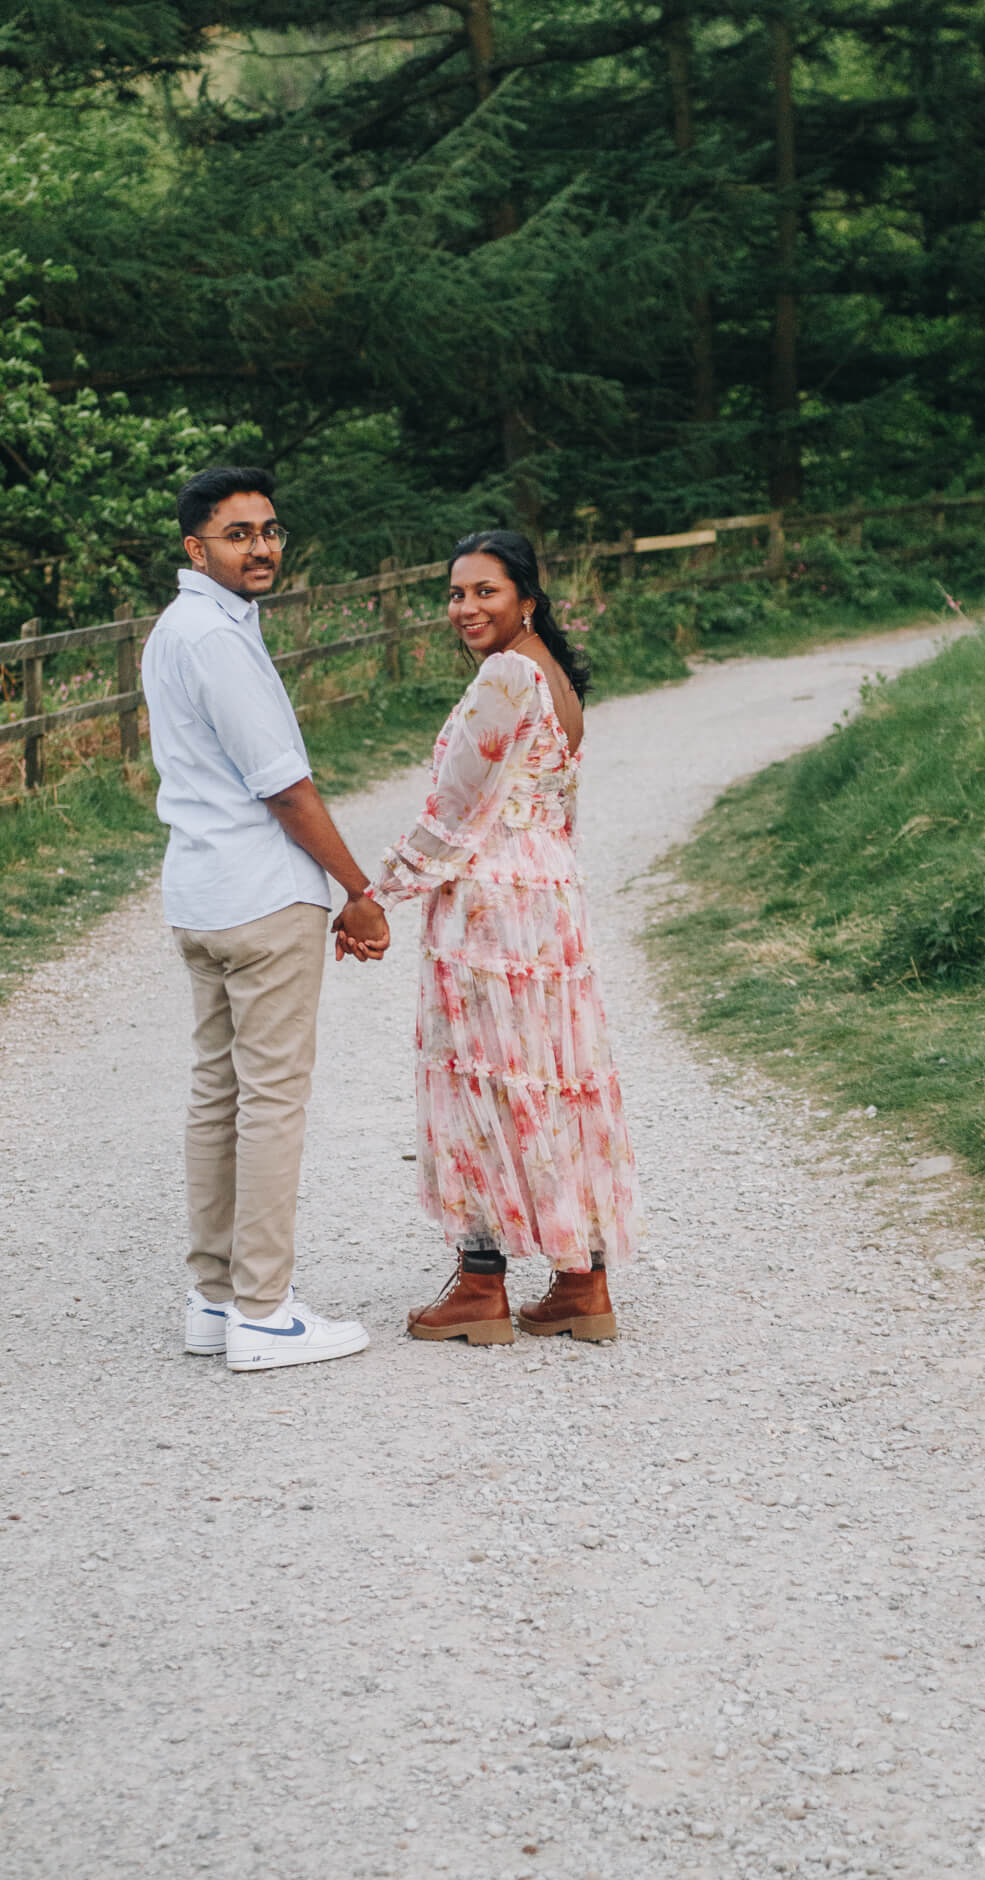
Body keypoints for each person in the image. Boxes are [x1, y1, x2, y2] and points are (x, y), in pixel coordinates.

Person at [354, 529, 640, 1343]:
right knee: (546, 1077)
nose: (465, 607)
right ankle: (581, 1282)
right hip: (548, 895)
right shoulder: (553, 681)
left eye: (484, 590)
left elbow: (452, 809)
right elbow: (556, 810)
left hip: (490, 900)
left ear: (527, 599)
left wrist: (378, 897)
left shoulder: (507, 675)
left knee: (479, 1082)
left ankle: (481, 1286)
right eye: (454, 593)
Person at [142, 463, 389, 1372]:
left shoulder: (179, 629)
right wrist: (359, 891)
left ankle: (214, 1300)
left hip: (201, 896)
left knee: (220, 1095)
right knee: (270, 1103)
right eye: (239, 533)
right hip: (259, 894)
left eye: (271, 530)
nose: (261, 547)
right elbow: (283, 786)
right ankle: (264, 1310)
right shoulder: (212, 639)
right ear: (194, 546)